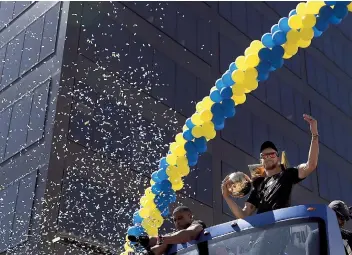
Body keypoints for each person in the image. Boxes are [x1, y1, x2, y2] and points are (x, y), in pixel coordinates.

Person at [221, 114, 319, 254]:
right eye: (264, 156)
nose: (267, 158)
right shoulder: (258, 185)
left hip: (277, 229)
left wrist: (314, 134)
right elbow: (244, 215)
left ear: (278, 157)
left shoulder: (288, 174)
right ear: (260, 160)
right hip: (259, 233)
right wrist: (227, 197)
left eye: (271, 154)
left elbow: (311, 165)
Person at [131, 206, 206, 255]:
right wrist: (145, 240)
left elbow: (189, 234)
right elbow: (159, 239)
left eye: (180, 218)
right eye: (174, 220)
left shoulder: (197, 224)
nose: (177, 222)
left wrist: (165, 240)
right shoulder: (174, 235)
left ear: (189, 216)